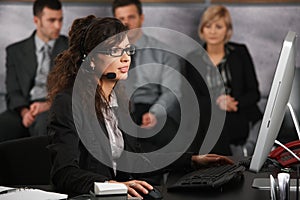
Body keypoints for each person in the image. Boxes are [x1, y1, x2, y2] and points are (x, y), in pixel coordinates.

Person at [47, 15, 233, 198]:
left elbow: (134, 160)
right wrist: (112, 186)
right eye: (115, 51)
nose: (126, 58)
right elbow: (64, 173)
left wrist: (192, 161)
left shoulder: (117, 101)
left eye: (127, 49)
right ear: (92, 60)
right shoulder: (67, 103)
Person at [186, 5, 262, 155]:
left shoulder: (240, 53)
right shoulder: (192, 58)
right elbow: (190, 97)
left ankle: (222, 167)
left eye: (219, 26)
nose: (213, 31)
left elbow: (254, 93)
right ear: (202, 30)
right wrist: (217, 103)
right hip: (207, 115)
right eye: (208, 26)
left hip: (238, 113)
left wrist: (234, 103)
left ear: (228, 30)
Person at [112, 0, 183, 152]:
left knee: (166, 137)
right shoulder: (107, 55)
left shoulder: (164, 52)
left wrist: (155, 113)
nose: (126, 23)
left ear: (141, 18)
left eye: (131, 17)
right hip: (119, 111)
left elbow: (172, 91)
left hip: (154, 107)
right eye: (121, 19)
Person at [0, 0, 68, 142]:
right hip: (24, 106)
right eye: (52, 20)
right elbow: (13, 90)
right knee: (4, 125)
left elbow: (75, 88)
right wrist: (25, 112)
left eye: (60, 20)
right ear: (36, 21)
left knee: (46, 124)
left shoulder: (71, 48)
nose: (58, 26)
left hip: (55, 105)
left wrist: (47, 105)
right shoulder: (15, 51)